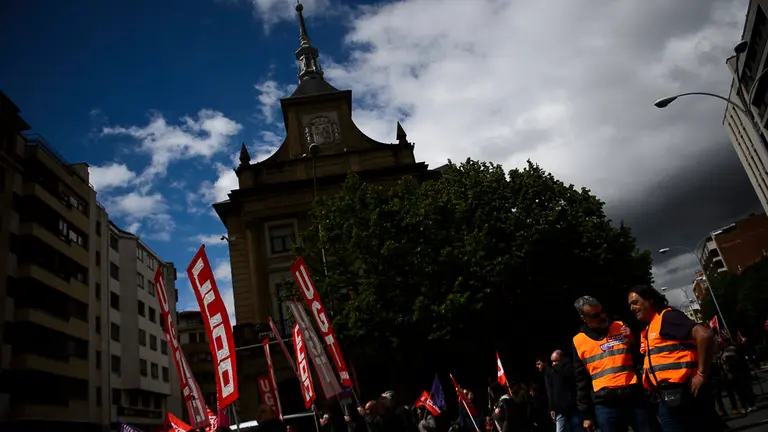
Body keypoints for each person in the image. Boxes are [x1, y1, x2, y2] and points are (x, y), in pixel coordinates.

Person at [628, 285, 727, 431]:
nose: (632, 308)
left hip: (686, 394)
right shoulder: (651, 327)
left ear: (650, 301)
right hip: (668, 397)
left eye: (635, 302)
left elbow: (704, 335)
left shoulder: (668, 317)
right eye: (630, 305)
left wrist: (701, 374)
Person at [572, 295, 657, 432]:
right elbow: (581, 381)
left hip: (634, 398)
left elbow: (642, 358)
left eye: (602, 311)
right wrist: (586, 415)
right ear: (584, 318)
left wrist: (633, 341)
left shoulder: (620, 327)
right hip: (605, 405)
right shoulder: (578, 341)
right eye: (596, 315)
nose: (602, 316)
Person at [544, 350, 583, 432]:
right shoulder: (551, 373)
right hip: (560, 410)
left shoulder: (569, 369)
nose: (553, 364)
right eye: (552, 362)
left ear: (562, 359)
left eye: (555, 361)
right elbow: (551, 392)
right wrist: (552, 408)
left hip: (572, 407)